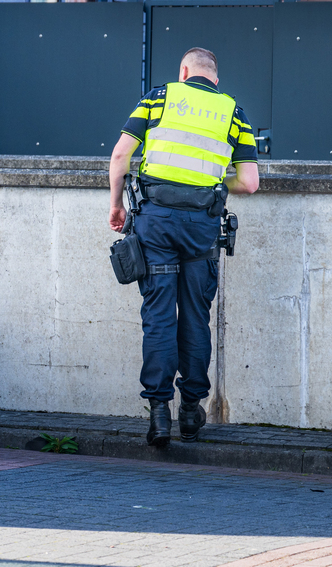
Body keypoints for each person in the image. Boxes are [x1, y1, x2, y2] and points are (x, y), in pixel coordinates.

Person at [107, 46, 259, 447]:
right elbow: (250, 182)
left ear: (184, 71)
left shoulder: (160, 97)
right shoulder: (234, 112)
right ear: (214, 78)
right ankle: (191, 411)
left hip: (155, 223)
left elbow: (121, 154)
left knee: (159, 317)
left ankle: (159, 413)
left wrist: (116, 206)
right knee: (195, 316)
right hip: (202, 227)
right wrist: (209, 186)